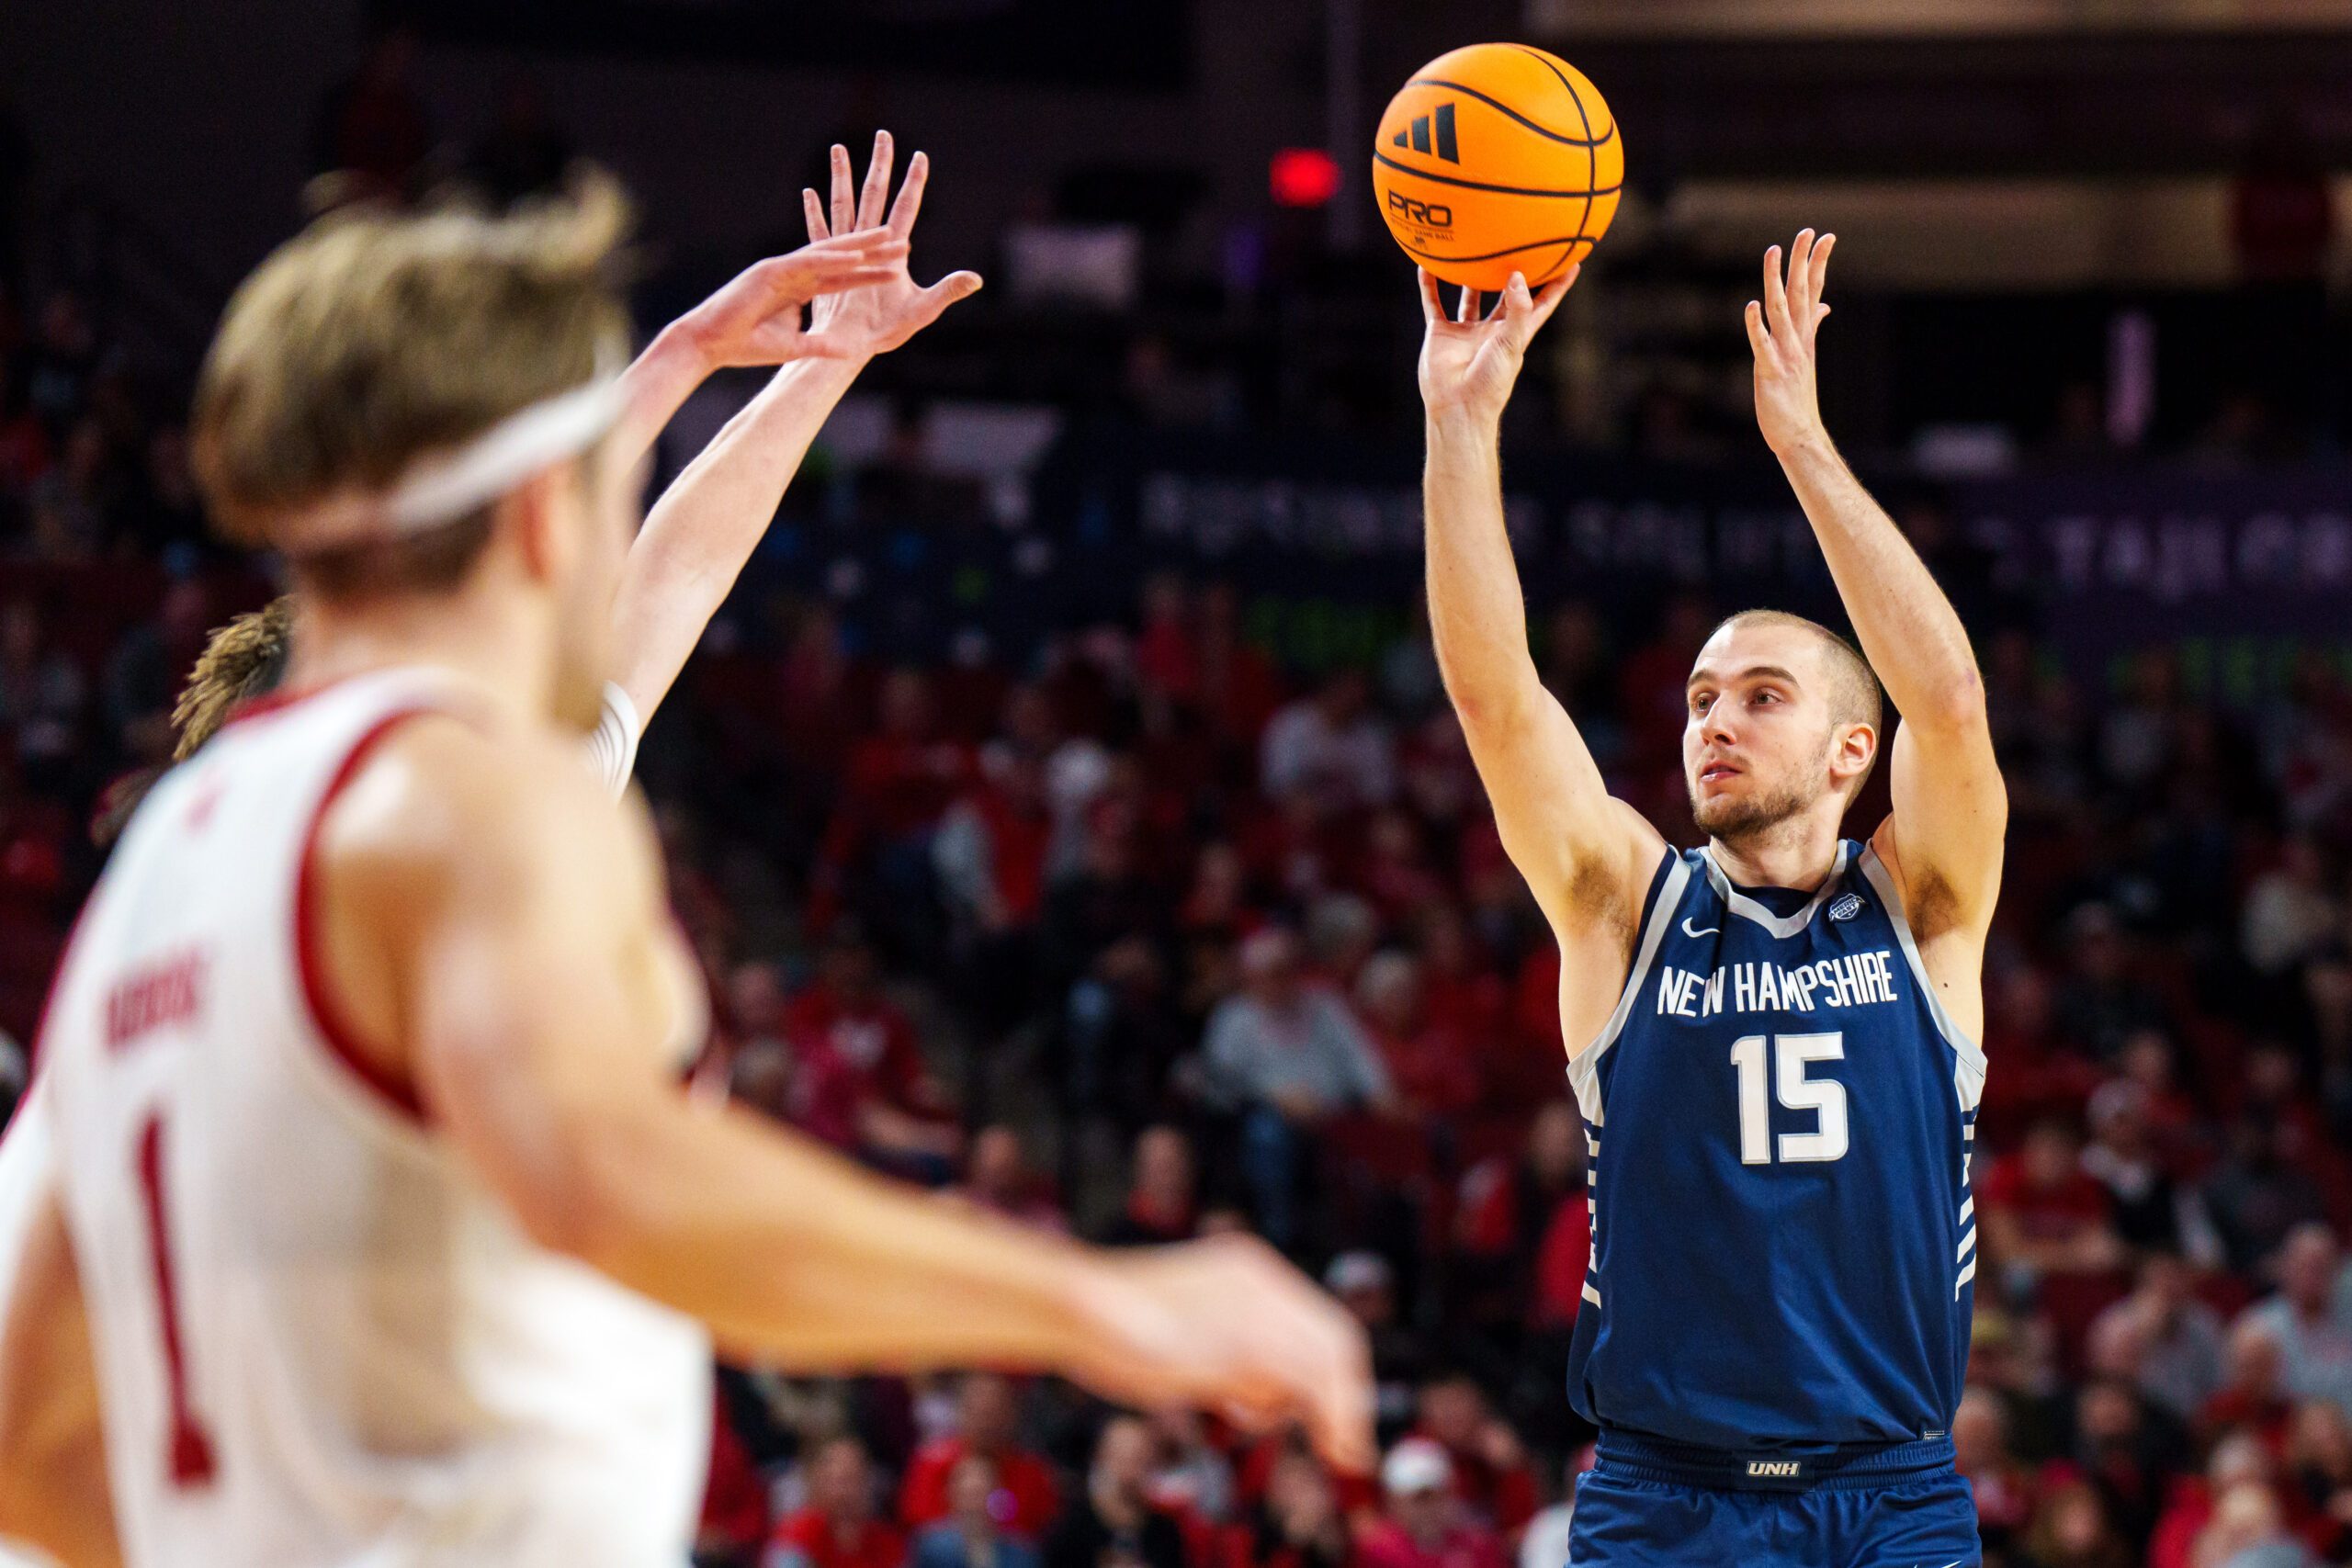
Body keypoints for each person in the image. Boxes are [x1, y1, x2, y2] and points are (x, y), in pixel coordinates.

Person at [0, 170, 1371, 1568]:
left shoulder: (164, 874)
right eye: (611, 478)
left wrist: (754, 367)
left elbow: (21, 1434)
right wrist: (1109, 1305)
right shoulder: (470, 805)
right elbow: (607, 1175)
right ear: (547, 512)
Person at [1416, 231, 1999, 1564]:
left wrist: (1801, 446)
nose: (1712, 722)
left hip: (1892, 1490)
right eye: (1696, 699)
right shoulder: (1627, 901)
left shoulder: (1926, 906)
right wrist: (1460, 422)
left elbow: (1950, 703)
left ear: (1856, 751)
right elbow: (1496, 700)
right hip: (1665, 1493)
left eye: (1761, 696)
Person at [1042, 1415, 1187, 1568]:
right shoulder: (1071, 1530)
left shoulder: (1166, 1534)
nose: (1132, 1470)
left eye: (1140, 1458)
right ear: (1102, 1457)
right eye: (1124, 1457)